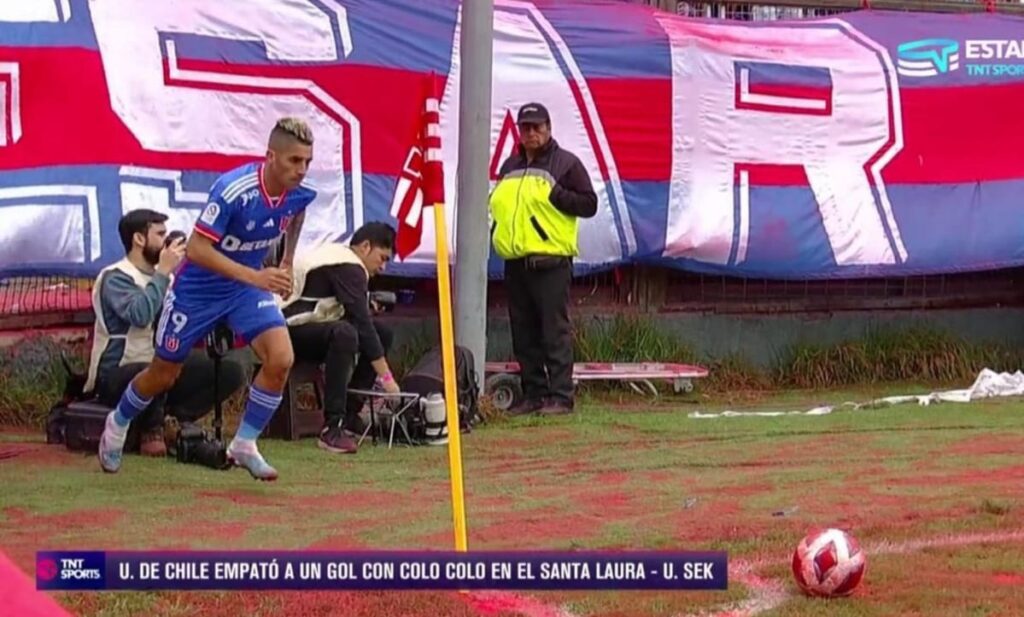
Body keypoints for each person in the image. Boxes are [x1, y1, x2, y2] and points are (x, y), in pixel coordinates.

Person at [98, 117, 318, 481]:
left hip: (244, 289)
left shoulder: (298, 194)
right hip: (196, 292)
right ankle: (118, 421)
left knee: (281, 358)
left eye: (307, 162)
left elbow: (296, 214)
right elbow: (197, 250)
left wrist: (287, 261)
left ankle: (244, 443)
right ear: (270, 156)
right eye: (295, 160)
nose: (302, 170)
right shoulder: (232, 190)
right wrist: (257, 276)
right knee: (164, 375)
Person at [84, 209, 246, 456]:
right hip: (117, 373)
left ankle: (176, 421)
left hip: (157, 367)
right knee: (154, 369)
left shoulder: (167, 280)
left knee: (229, 370)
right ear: (139, 239)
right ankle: (151, 430)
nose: (166, 241)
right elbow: (140, 315)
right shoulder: (115, 277)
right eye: (160, 234)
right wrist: (162, 273)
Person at [488, 102, 598, 415]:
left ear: (549, 128)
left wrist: (557, 195)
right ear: (518, 132)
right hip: (516, 262)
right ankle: (534, 394)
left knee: (554, 332)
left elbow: (589, 204)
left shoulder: (566, 163)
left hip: (551, 262)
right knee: (524, 333)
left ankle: (561, 396)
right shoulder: (509, 166)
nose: (532, 133)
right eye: (526, 127)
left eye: (537, 127)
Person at [279, 222, 399, 454]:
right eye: (382, 258)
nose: (383, 267)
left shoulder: (341, 260)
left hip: (311, 329)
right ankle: (332, 427)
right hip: (285, 333)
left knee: (382, 332)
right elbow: (361, 324)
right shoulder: (349, 265)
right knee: (346, 334)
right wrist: (387, 379)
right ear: (365, 247)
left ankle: (351, 414)